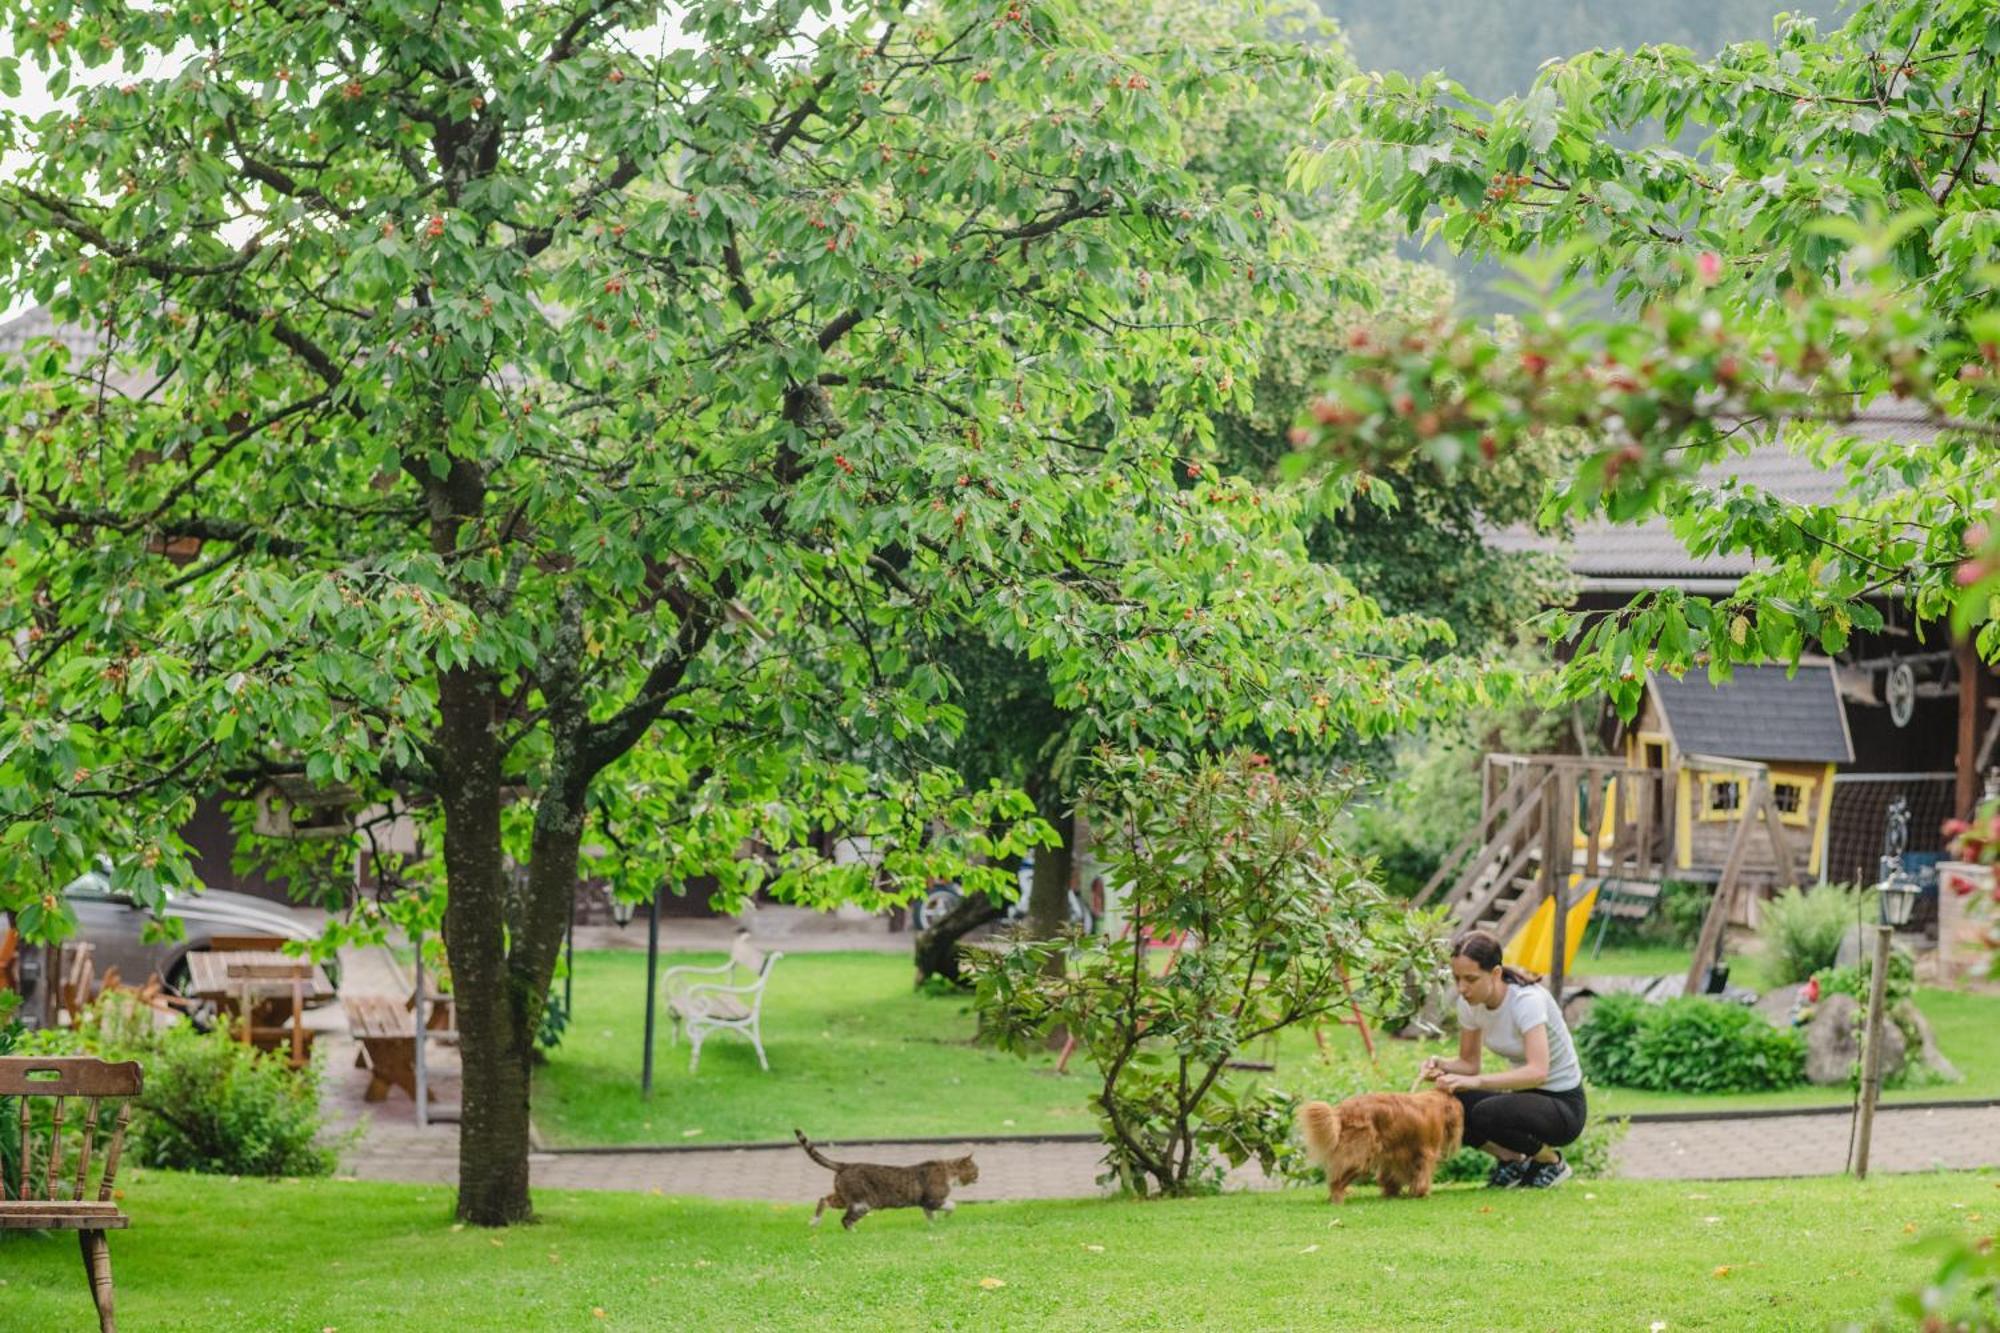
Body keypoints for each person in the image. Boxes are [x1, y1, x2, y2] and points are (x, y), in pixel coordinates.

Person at [1419, 928, 1586, 1189]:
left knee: (1486, 1111)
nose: (1462, 988)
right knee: (1450, 1101)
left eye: (1471, 979)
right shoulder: (1469, 1004)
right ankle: (1512, 1160)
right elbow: (1469, 1064)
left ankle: (1551, 1162)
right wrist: (1442, 1065)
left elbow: (1537, 1072)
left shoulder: (1527, 1002)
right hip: (1524, 1100)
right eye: (1457, 978)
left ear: (1495, 973)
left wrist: (1475, 1082)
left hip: (1562, 1105)